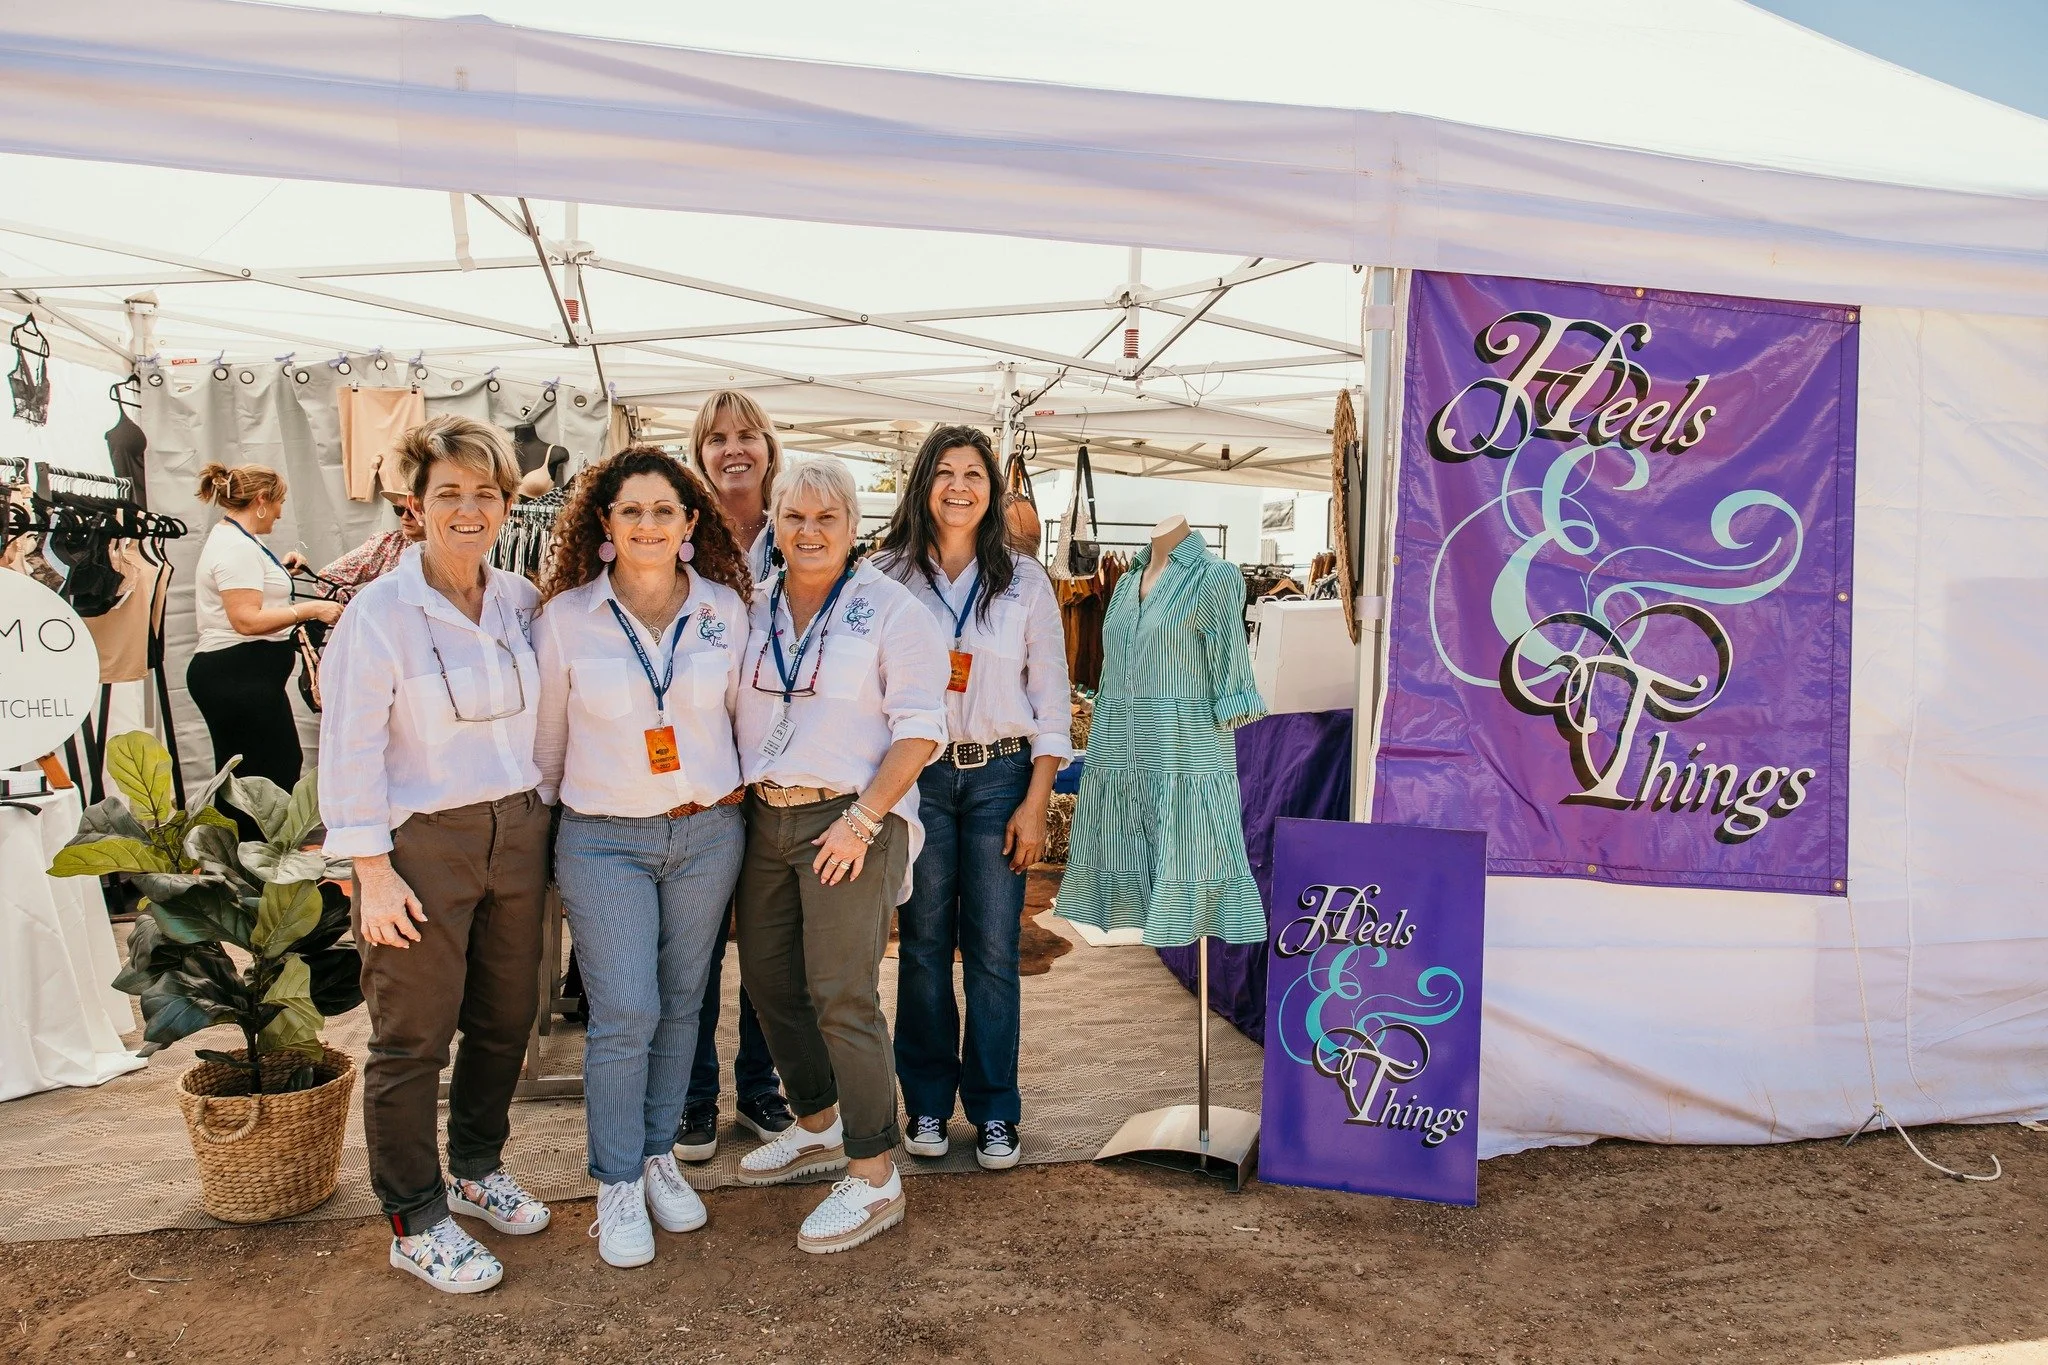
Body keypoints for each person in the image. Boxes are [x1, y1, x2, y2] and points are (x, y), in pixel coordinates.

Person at [317, 415, 553, 1295]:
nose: (469, 509)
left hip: (518, 832)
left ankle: (477, 1165)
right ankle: (414, 1215)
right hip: (420, 843)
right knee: (413, 1036)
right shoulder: (377, 614)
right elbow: (346, 749)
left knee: (504, 1016)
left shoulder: (520, 601)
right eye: (448, 493)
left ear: (505, 504)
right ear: (415, 506)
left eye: (485, 494)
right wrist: (368, 871)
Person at [530, 449, 753, 1269]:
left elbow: (744, 723)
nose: (650, 526)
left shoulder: (728, 612)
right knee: (625, 1010)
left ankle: (658, 1153)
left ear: (690, 524)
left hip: (706, 834)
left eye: (665, 511)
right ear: (605, 525)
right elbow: (548, 746)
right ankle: (616, 1179)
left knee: (684, 1003)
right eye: (633, 512)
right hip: (603, 839)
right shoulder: (564, 621)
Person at [731, 456, 948, 1253]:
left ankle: (872, 1171)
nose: (809, 531)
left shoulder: (893, 610)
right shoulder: (751, 608)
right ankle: (817, 1122)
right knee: (768, 983)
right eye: (794, 516)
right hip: (765, 817)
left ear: (855, 527)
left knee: (840, 992)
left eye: (827, 517)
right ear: (774, 525)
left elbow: (920, 727)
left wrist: (862, 820)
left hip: (854, 815)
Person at [875, 426, 1071, 1170]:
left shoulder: (1025, 581)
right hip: (918, 777)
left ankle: (994, 1108)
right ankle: (924, 1100)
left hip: (1000, 778)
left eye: (974, 474)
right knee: (922, 945)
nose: (960, 486)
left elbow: (1052, 699)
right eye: (946, 472)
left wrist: (1037, 799)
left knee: (993, 949)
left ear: (993, 490)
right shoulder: (887, 574)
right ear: (924, 483)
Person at [677, 388, 794, 1158]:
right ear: (700, 452)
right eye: (717, 437)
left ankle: (759, 1090)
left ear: (768, 447)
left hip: (781, 771)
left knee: (767, 939)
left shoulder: (799, 527)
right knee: (693, 946)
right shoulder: (679, 534)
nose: (733, 449)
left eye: (746, 434)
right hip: (703, 773)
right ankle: (691, 1099)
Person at [187, 462, 341, 839]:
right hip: (236, 676)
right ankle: (253, 869)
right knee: (264, 776)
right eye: (278, 502)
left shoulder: (240, 540)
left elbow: (250, 593)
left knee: (264, 771)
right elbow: (246, 620)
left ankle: (247, 868)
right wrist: (312, 609)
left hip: (244, 676)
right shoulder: (235, 548)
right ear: (260, 500)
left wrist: (283, 573)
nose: (280, 511)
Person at [321, 490, 424, 594]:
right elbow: (326, 578)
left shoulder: (439, 548)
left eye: (413, 512)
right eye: (399, 510)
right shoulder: (388, 543)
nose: (405, 517)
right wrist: (362, 605)